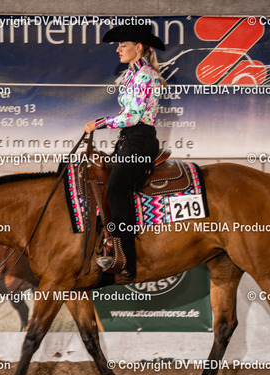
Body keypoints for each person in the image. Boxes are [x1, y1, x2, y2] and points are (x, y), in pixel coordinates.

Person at [83, 24, 165, 280]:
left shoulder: (145, 76)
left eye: (123, 45)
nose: (118, 50)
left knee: (117, 189)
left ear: (138, 47)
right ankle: (106, 243)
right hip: (129, 139)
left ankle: (126, 258)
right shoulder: (133, 74)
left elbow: (132, 117)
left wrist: (99, 123)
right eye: (118, 46)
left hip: (139, 140)